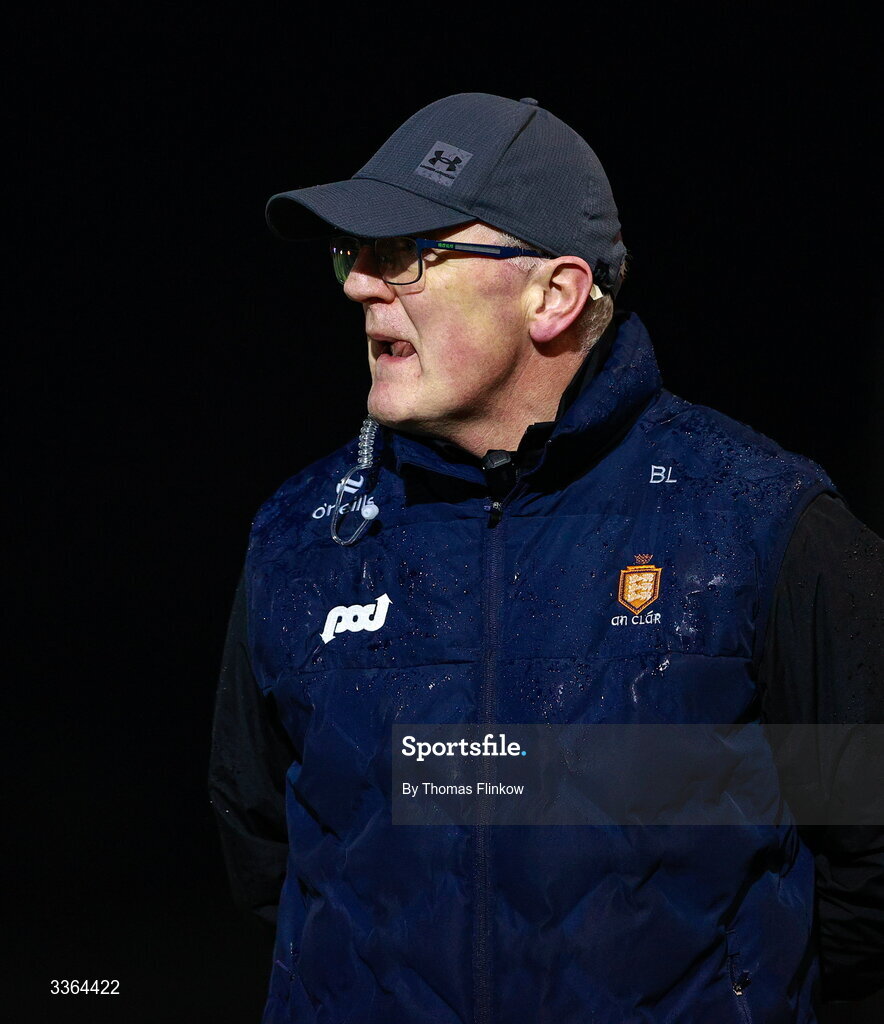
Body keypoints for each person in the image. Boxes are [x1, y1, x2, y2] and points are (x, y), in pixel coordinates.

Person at [209, 93, 883, 1023]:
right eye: (353, 256)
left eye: (406, 254)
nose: (360, 286)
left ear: (555, 294)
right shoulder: (302, 535)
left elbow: (867, 860)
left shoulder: (762, 523)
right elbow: (263, 846)